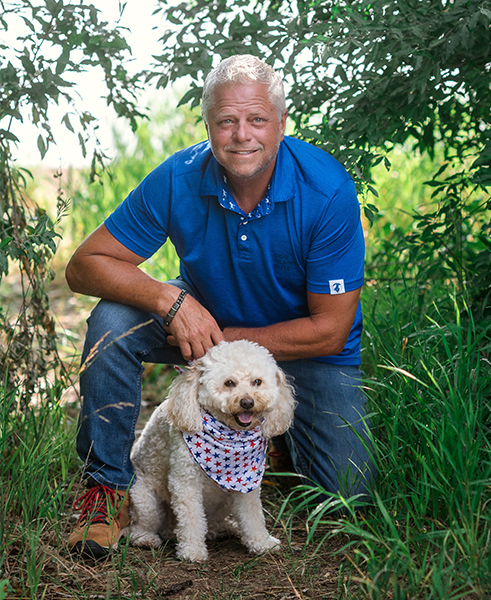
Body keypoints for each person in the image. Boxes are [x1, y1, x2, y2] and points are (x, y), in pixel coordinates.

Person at [65, 54, 374, 559]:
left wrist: (227, 344)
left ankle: (266, 447)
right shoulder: (179, 177)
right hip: (200, 326)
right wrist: (169, 298)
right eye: (226, 121)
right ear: (208, 125)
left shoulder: (326, 188)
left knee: (347, 494)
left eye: (256, 120)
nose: (242, 135)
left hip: (301, 348)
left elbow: (331, 330)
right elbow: (85, 265)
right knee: (112, 321)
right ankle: (105, 492)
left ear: (281, 124)